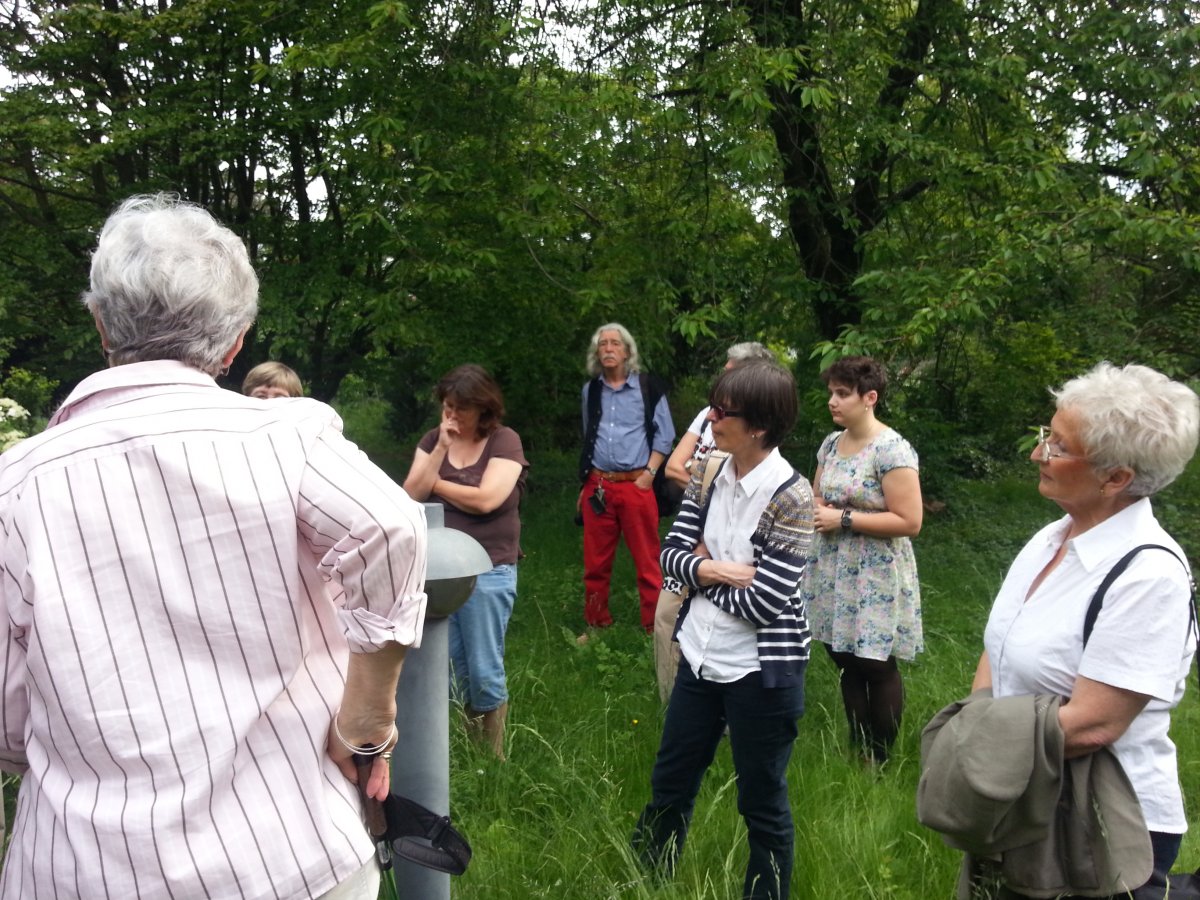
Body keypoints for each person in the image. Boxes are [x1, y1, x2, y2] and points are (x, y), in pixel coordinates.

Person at [0, 194, 429, 899]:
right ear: (235, 344)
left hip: (83, 870)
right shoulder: (288, 436)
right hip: (291, 856)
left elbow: (9, 724)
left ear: (100, 322)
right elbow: (392, 527)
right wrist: (368, 713)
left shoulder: (15, 485)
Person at [970, 362, 1199, 893]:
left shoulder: (1149, 575)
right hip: (1021, 796)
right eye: (1045, 434)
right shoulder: (1052, 538)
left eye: (1059, 446)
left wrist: (969, 747)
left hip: (1099, 825)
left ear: (1116, 478)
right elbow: (998, 648)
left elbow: (1093, 725)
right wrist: (978, 735)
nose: (1038, 453)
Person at [632, 361, 815, 900]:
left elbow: (765, 602)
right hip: (699, 654)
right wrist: (717, 570)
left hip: (760, 672)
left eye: (721, 412)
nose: (709, 419)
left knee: (761, 802)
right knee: (670, 783)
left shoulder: (792, 496)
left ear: (758, 426)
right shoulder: (709, 471)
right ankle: (646, 881)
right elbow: (670, 556)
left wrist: (699, 576)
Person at [801, 355, 923, 765]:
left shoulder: (891, 450)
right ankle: (859, 753)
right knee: (845, 659)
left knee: (875, 663)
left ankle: (881, 758)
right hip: (834, 568)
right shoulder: (830, 445)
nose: (832, 401)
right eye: (831, 393)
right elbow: (818, 496)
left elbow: (909, 521)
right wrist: (815, 507)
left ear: (870, 398)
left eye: (842, 393)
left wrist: (844, 519)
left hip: (875, 572)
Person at [403, 364, 528, 759]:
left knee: (483, 667)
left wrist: (436, 484)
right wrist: (441, 448)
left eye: (461, 408)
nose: (452, 414)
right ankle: (465, 753)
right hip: (438, 572)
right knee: (451, 666)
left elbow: (487, 499)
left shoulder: (504, 441)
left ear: (483, 408)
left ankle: (494, 757)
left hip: (488, 569)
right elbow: (409, 495)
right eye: (447, 405)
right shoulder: (432, 439)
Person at [654, 340, 776, 701]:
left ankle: (719, 706)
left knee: (717, 621)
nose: (712, 415)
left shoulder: (755, 430)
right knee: (665, 617)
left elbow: (741, 485)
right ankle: (672, 701)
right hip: (693, 534)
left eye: (729, 371)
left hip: (725, 549)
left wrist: (701, 472)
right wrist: (705, 475)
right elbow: (673, 468)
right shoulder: (710, 415)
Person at [578, 323, 675, 633]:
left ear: (627, 351)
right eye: (602, 343)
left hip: (637, 485)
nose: (608, 348)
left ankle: (654, 628)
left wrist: (649, 474)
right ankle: (596, 624)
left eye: (615, 343)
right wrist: (586, 481)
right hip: (599, 485)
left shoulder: (648, 388)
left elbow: (665, 436)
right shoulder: (591, 390)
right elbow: (588, 435)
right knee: (595, 563)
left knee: (647, 560)